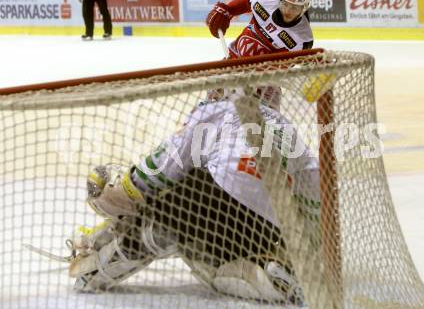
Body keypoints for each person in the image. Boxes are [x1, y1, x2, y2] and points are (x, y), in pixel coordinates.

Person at [63, 85, 321, 305]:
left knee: (175, 190)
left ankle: (103, 262)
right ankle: (262, 273)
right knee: (214, 258)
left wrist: (122, 191)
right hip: (263, 231)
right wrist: (300, 248)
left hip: (205, 210)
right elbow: (315, 199)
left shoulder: (217, 110)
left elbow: (160, 169)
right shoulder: (289, 132)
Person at [205, 0, 313, 110]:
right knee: (211, 100)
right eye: (285, 3)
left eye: (295, 7)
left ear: (304, 7)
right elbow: (246, 2)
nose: (287, 10)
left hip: (265, 80)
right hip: (234, 58)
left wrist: (248, 74)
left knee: (269, 120)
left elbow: (278, 67)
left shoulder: (302, 39)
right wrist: (227, 11)